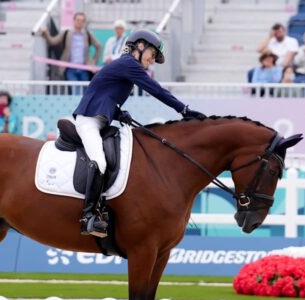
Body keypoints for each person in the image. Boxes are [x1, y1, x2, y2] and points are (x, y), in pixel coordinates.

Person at [72, 29, 207, 237]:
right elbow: (157, 90)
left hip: (101, 120)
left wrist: (118, 113)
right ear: (140, 46)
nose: (152, 61)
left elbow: (103, 94)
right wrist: (183, 110)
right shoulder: (129, 64)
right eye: (152, 55)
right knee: (99, 162)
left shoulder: (125, 67)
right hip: (88, 121)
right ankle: (88, 216)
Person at [41, 12, 103, 83]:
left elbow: (99, 46)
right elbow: (52, 41)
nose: (80, 22)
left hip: (84, 68)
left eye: (82, 21)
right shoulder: (66, 33)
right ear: (74, 20)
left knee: (84, 90)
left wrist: (93, 61)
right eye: (78, 20)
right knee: (74, 90)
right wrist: (45, 33)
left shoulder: (88, 34)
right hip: (70, 68)